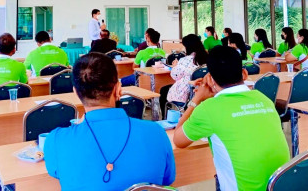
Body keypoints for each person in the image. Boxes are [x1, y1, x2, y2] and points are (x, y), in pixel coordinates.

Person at [44, 53, 176, 191]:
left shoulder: (56, 140)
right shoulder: (156, 133)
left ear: (76, 93)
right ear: (118, 89)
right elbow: (167, 181)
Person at [173, 46, 289, 191]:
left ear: (210, 78)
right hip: (281, 186)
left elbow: (178, 140)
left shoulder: (209, 108)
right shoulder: (264, 99)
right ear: (245, 74)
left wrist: (197, 99)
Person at [160, 34, 208, 118]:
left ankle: (166, 118)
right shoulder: (207, 58)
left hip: (186, 93)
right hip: (202, 91)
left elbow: (175, 76)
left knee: (163, 90)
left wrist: (175, 66)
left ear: (188, 47)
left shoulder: (185, 60)